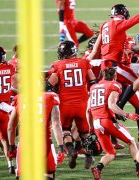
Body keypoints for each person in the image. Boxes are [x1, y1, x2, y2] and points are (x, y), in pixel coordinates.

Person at [87, 67, 139, 180]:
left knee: (110, 153)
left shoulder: (93, 87)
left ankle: (98, 169)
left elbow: (88, 110)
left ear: (102, 75)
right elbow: (111, 105)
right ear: (115, 76)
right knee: (131, 141)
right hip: (107, 121)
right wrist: (127, 114)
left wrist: (91, 128)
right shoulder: (114, 85)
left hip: (97, 123)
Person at [47, 40, 96, 169]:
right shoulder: (84, 63)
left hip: (65, 103)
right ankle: (89, 156)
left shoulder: (58, 65)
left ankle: (70, 151)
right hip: (82, 104)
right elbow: (93, 80)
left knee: (66, 130)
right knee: (84, 133)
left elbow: (49, 84)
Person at [87, 4, 139, 72]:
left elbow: (95, 49)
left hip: (105, 62)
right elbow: (135, 20)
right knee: (136, 81)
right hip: (114, 63)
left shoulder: (104, 25)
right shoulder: (118, 24)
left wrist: (85, 62)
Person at [8, 90, 65, 180]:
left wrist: (11, 147)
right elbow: (56, 123)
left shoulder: (19, 98)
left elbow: (11, 127)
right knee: (48, 176)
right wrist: (61, 148)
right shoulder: (50, 97)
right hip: (45, 144)